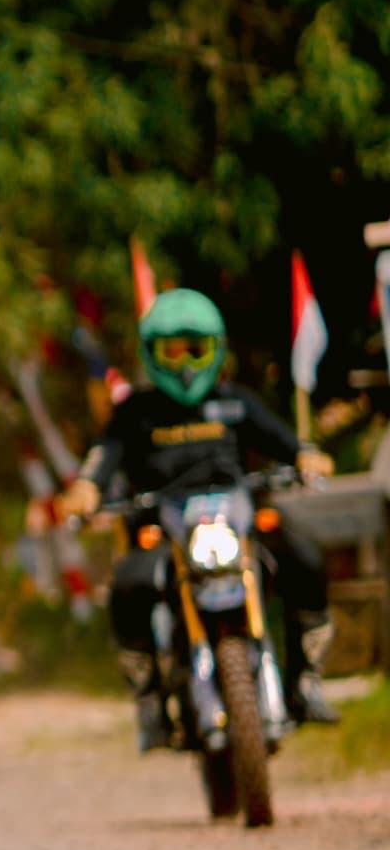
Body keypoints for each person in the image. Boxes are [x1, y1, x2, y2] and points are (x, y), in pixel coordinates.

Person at [56, 288, 337, 740]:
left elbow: (287, 444)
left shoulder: (236, 403)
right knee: (127, 586)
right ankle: (148, 698)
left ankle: (306, 681)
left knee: (304, 557)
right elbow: (102, 459)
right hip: (166, 528)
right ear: (153, 355)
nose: (185, 363)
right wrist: (87, 489)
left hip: (236, 519)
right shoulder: (136, 414)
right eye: (172, 350)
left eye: (196, 349)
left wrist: (307, 457)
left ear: (215, 351)